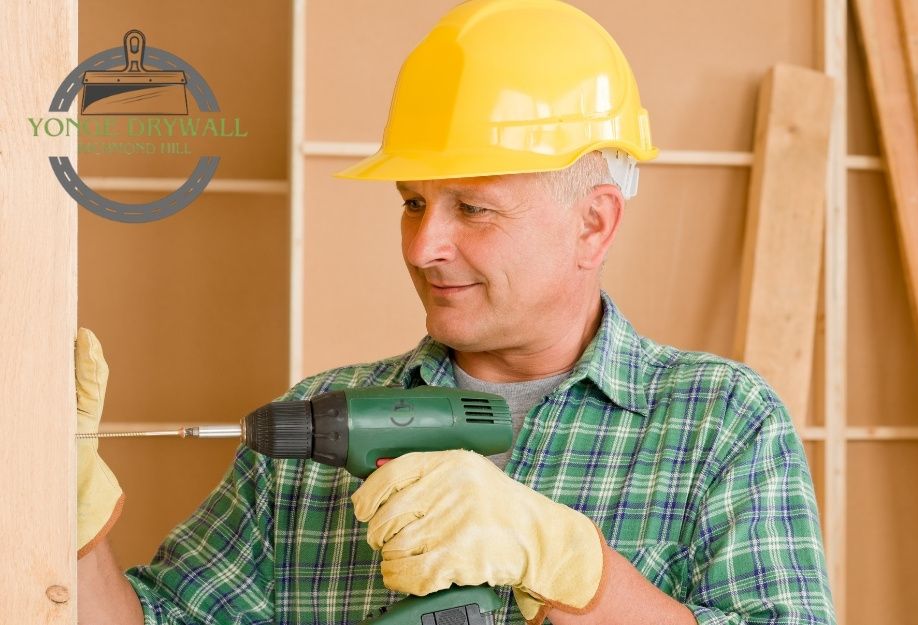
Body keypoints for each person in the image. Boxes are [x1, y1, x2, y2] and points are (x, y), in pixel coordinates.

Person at [77, 1, 836, 624]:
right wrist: (69, 510)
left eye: (472, 208)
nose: (424, 246)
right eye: (413, 203)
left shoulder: (718, 424)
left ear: (593, 223)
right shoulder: (318, 428)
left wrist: (576, 571)